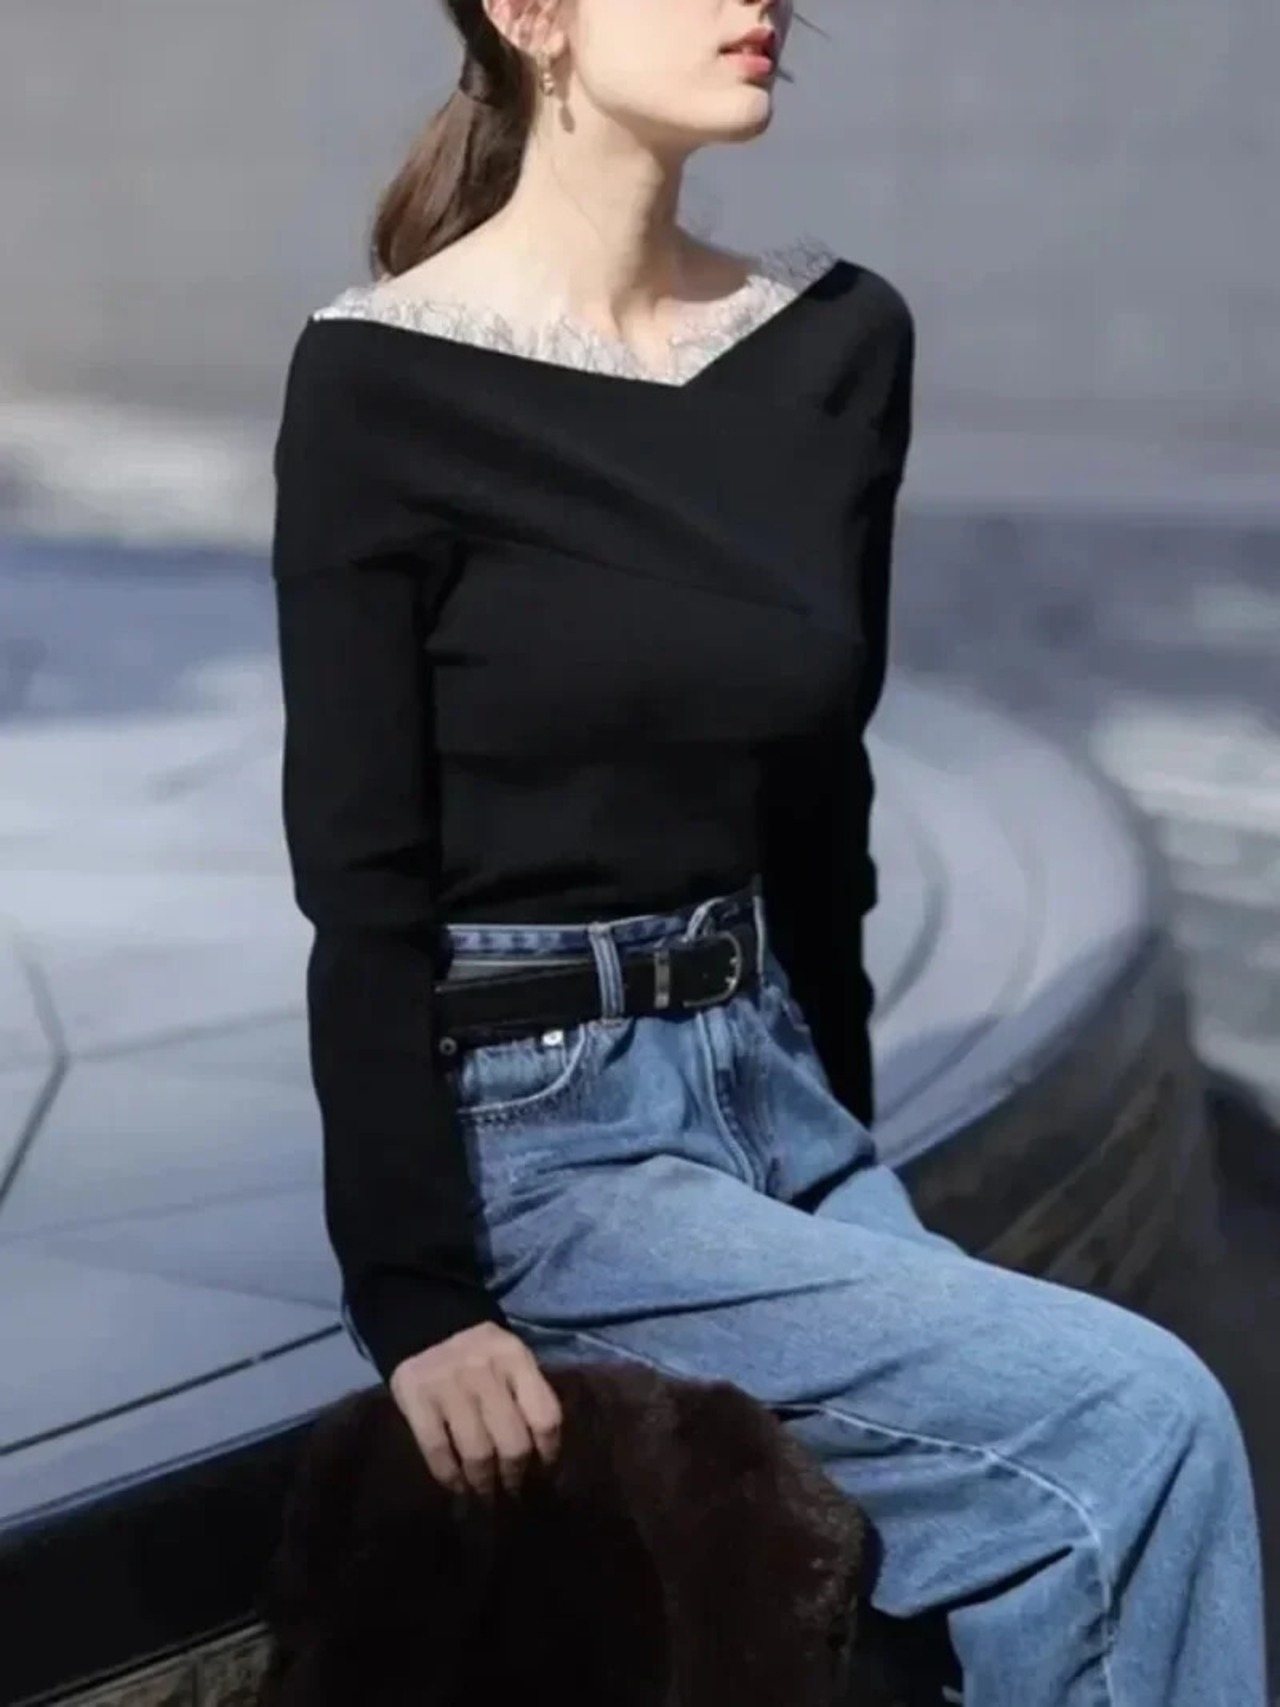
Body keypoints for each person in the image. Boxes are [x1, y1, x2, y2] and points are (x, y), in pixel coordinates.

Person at [269, 2, 1268, 1703]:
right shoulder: (380, 383)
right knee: (1139, 1425)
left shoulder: (834, 343)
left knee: (1019, 1515)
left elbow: (818, 809)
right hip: (543, 1144)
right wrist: (418, 1297)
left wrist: (843, 1163)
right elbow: (360, 883)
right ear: (529, 15)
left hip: (772, 1085)